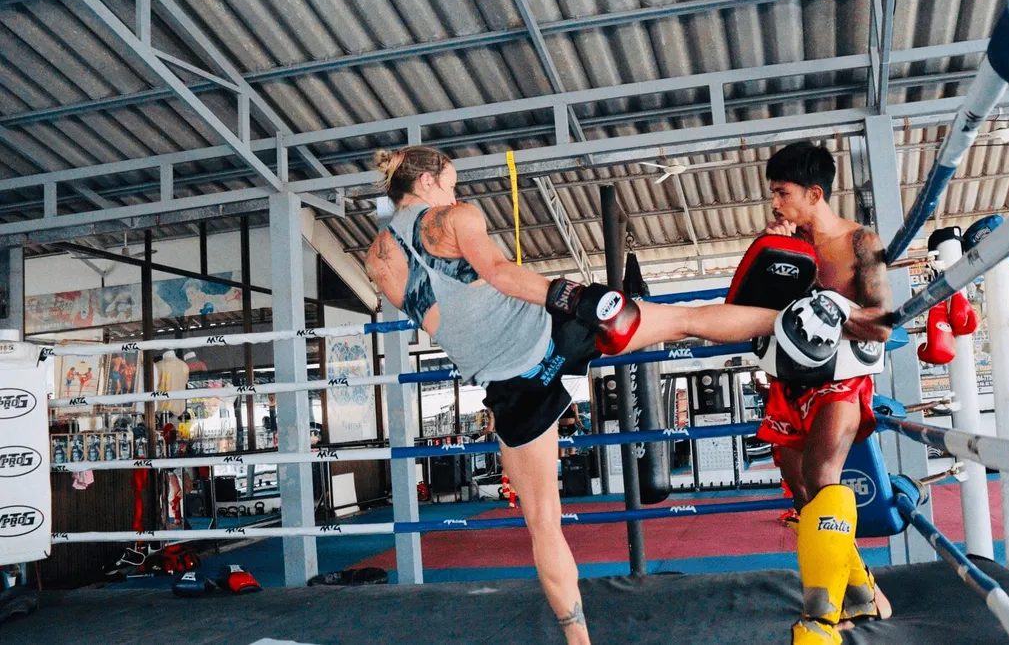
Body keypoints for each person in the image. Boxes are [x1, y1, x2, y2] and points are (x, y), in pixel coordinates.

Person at [365, 146, 785, 645]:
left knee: (544, 523)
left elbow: (437, 320)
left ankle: (579, 643)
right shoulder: (455, 216)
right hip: (552, 334)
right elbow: (499, 274)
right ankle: (804, 323)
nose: (456, 191)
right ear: (430, 182)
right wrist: (575, 296)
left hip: (509, 387)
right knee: (685, 319)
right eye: (451, 183)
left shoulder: (377, 260)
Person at [751, 141, 896, 644]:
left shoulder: (860, 243)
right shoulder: (783, 244)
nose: (776, 203)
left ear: (815, 193)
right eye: (773, 192)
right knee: (803, 491)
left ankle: (819, 622)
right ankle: (862, 594)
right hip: (788, 386)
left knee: (821, 473)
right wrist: (771, 255)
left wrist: (838, 311)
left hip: (842, 379)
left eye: (783, 193)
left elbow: (882, 325)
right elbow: (755, 313)